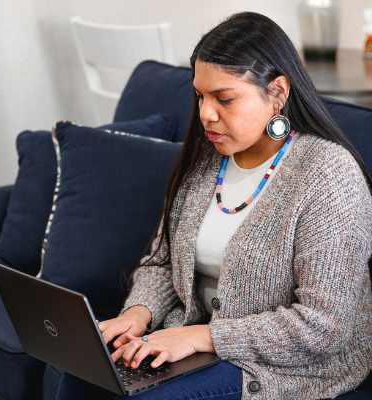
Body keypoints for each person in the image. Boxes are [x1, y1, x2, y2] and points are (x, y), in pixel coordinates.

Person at [56, 12, 372, 400]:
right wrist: (138, 314)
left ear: (277, 92)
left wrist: (202, 336)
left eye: (224, 98)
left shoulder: (327, 174)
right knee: (82, 374)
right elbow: (161, 260)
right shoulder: (210, 157)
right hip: (192, 338)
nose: (206, 113)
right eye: (200, 96)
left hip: (283, 365)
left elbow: (324, 327)